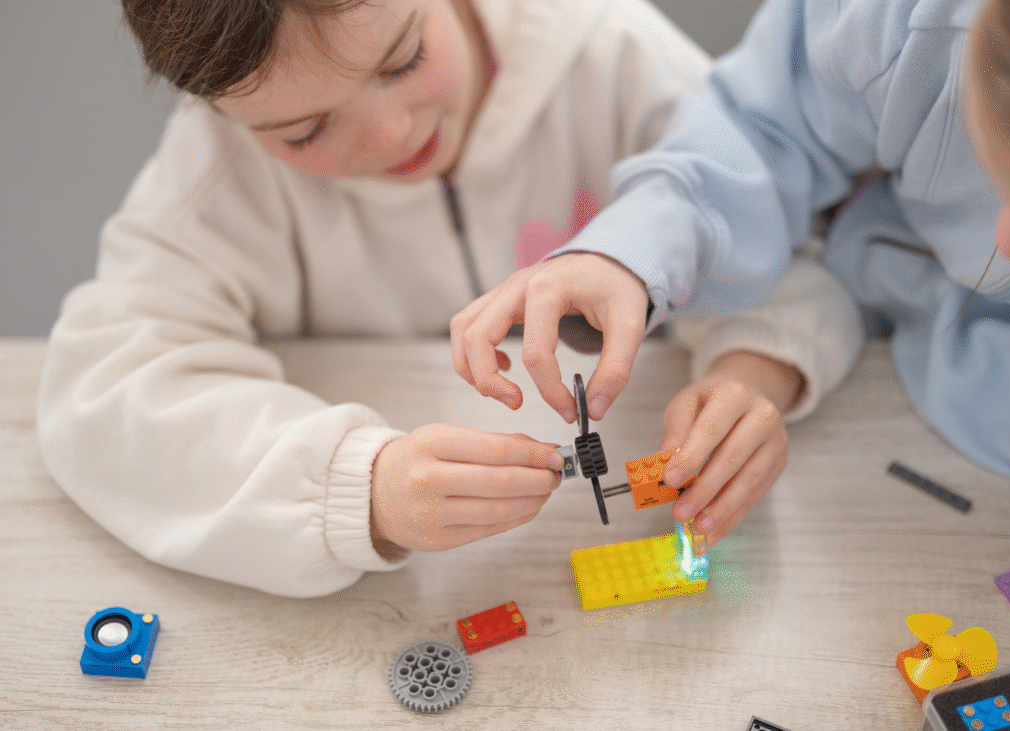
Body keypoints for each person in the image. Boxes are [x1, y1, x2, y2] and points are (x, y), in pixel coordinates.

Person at [36, 0, 860, 597]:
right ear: (223, 109)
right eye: (305, 132)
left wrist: (754, 376)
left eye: (402, 58)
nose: (391, 133)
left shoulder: (614, 58)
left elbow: (792, 260)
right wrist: (359, 485)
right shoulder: (219, 172)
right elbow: (106, 389)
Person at [452, 0, 1010, 526]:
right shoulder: (896, 22)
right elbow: (763, 131)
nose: (1007, 241)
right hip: (879, 358)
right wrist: (630, 251)